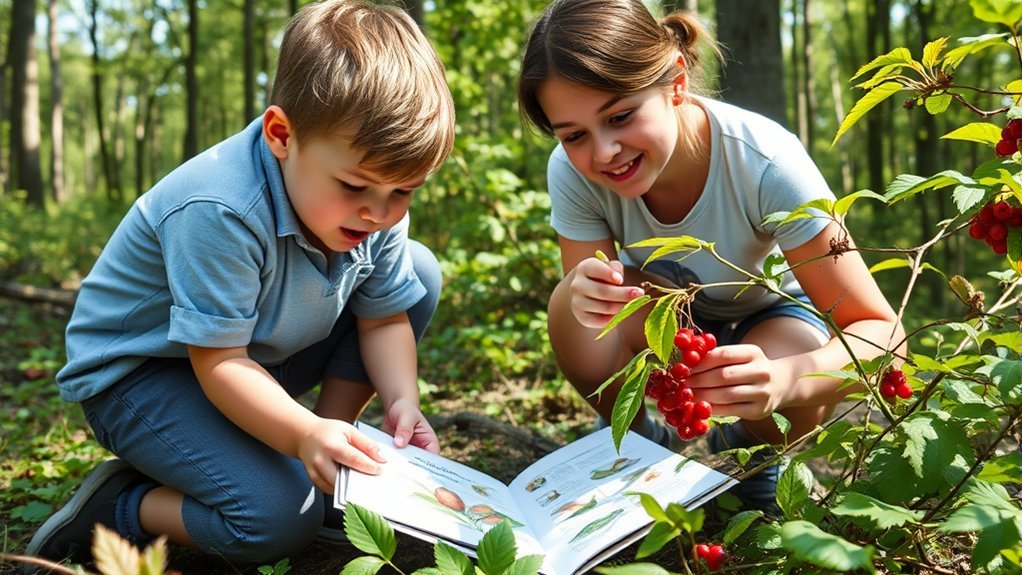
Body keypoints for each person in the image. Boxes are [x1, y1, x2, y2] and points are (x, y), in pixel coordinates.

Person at [26, 0, 455, 567]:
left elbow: (383, 319)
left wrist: (402, 399)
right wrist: (299, 432)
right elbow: (220, 362)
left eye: (403, 191)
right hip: (144, 378)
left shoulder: (372, 205)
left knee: (417, 273)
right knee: (274, 519)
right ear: (282, 134)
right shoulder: (220, 207)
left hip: (253, 357)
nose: (379, 211)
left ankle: (331, 464)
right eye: (356, 186)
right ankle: (119, 508)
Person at [517, 0, 904, 511]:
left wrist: (783, 381)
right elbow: (593, 314)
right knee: (573, 302)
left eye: (621, 116)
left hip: (773, 316)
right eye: (574, 135)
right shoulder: (572, 172)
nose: (604, 151)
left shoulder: (766, 162)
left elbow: (885, 336)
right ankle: (632, 441)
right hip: (669, 316)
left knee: (794, 360)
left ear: (676, 82)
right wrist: (586, 292)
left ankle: (751, 453)